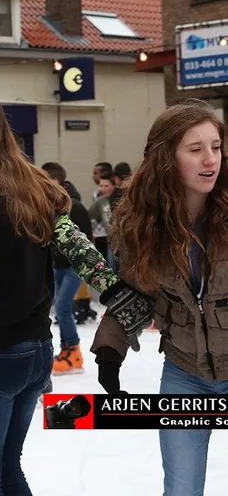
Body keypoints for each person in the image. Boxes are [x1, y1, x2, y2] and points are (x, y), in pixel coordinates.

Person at [0, 92, 152, 495]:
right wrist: (115, 291)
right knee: (9, 466)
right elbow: (78, 247)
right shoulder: (37, 185)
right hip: (37, 346)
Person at [91, 100, 228, 496]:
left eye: (216, 147)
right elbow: (136, 290)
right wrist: (110, 351)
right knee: (181, 489)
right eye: (195, 148)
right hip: (186, 374)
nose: (210, 159)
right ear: (167, 157)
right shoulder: (146, 225)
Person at [42, 162, 94, 375]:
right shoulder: (51, 205)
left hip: (74, 266)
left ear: (57, 182)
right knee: (60, 308)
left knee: (63, 308)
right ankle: (67, 350)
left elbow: (85, 238)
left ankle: (74, 352)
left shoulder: (75, 206)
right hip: (59, 265)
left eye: (47, 182)